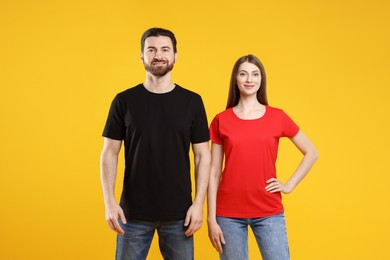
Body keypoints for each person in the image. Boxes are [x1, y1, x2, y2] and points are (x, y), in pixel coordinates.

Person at [100, 27, 211, 260]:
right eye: (151, 49)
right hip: (131, 215)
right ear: (141, 56)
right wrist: (109, 202)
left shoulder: (192, 101)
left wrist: (198, 203)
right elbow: (110, 153)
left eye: (165, 49)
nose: (158, 55)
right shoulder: (124, 101)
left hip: (180, 215)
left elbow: (202, 155)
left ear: (175, 56)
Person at [207, 54, 318, 260]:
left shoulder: (278, 116)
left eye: (255, 74)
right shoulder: (221, 120)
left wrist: (289, 185)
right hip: (228, 213)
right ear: (236, 79)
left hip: (268, 210)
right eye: (243, 74)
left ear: (261, 79)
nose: (249, 79)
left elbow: (311, 152)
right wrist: (211, 219)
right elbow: (213, 173)